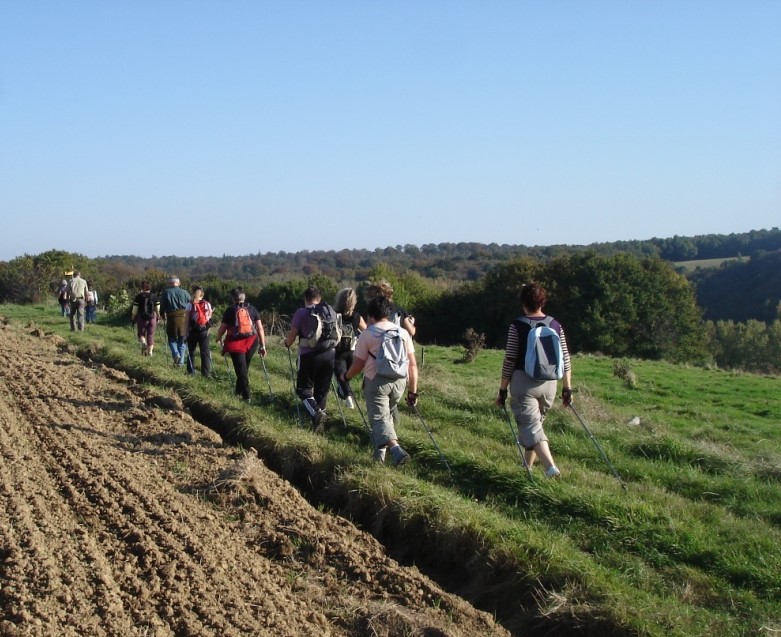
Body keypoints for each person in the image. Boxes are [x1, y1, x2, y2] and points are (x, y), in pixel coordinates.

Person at [495, 283, 573, 478]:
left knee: (531, 427)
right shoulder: (555, 324)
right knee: (535, 426)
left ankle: (550, 468)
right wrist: (567, 388)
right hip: (550, 384)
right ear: (542, 302)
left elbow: (510, 359)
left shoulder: (517, 325)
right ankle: (526, 469)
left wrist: (503, 389)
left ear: (523, 303)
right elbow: (565, 357)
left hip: (524, 381)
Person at [343, 295, 418, 466]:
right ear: (389, 313)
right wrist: (413, 392)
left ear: (370, 315)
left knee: (379, 419)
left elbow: (359, 364)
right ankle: (378, 462)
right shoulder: (403, 333)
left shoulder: (368, 334)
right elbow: (413, 365)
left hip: (376, 383)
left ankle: (396, 450)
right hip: (400, 382)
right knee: (386, 418)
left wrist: (346, 377)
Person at [283, 286, 338, 432]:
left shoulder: (302, 312)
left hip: (308, 355)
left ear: (305, 299)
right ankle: (320, 427)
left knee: (303, 390)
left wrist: (286, 343)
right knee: (322, 391)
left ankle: (316, 413)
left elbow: (292, 335)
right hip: (330, 354)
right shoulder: (330, 311)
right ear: (319, 298)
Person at [215, 287, 266, 402]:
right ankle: (238, 391)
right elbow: (260, 328)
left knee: (241, 371)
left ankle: (247, 396)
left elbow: (222, 329)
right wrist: (262, 345)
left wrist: (218, 339)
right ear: (244, 297)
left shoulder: (230, 310)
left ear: (233, 298)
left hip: (235, 344)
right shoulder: (252, 309)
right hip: (252, 341)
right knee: (243, 368)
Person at [333, 287, 367, 409]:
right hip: (352, 351)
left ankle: (347, 397)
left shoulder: (334, 315)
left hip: (337, 351)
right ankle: (344, 393)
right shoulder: (357, 317)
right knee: (346, 376)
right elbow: (367, 331)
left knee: (341, 376)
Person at [159, 275, 191, 367]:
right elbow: (191, 304)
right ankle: (180, 363)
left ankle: (176, 354)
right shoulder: (185, 292)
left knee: (172, 339)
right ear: (179, 283)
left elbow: (162, 306)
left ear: (170, 283)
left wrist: (162, 315)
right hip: (184, 318)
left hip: (172, 317)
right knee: (182, 340)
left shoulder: (166, 292)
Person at [185, 286, 213, 377]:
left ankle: (190, 371)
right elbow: (209, 318)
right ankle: (205, 373)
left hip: (193, 330)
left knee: (191, 351)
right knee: (205, 352)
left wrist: (185, 333)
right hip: (204, 331)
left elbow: (186, 320)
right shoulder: (207, 304)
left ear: (193, 293)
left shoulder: (190, 304)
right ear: (202, 294)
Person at [131, 281, 160, 356]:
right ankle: (150, 352)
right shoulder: (154, 296)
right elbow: (157, 308)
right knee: (150, 335)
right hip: (152, 317)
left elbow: (135, 310)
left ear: (142, 287)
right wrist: (158, 316)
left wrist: (133, 318)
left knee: (141, 334)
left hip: (142, 316)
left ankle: (143, 343)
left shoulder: (139, 296)